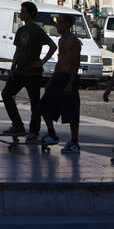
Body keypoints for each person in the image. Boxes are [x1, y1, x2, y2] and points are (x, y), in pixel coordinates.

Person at [2, 2, 57, 138]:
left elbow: (52, 46)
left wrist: (41, 62)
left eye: (23, 11)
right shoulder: (21, 30)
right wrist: (12, 68)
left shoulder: (36, 30)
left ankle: (34, 131)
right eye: (21, 11)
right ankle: (18, 125)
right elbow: (18, 50)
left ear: (30, 14)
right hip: (20, 71)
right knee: (6, 94)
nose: (21, 13)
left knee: (35, 103)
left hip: (33, 73)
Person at [39, 15, 82, 153]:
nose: (57, 26)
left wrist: (70, 83)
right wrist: (51, 81)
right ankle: (51, 133)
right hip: (59, 77)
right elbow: (60, 62)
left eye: (60, 23)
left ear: (67, 24)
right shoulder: (61, 40)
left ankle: (74, 142)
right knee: (44, 106)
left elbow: (76, 63)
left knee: (71, 112)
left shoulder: (73, 41)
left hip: (69, 77)